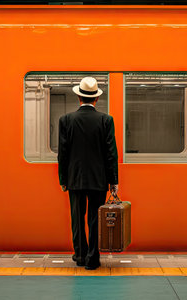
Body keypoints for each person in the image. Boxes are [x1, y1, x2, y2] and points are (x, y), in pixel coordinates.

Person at [58, 76, 118, 270]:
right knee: (94, 218)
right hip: (98, 179)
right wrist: (113, 181)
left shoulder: (66, 120)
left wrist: (63, 179)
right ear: (97, 99)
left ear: (79, 97)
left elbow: (63, 154)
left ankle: (80, 254)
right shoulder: (106, 120)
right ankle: (93, 258)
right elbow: (111, 153)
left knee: (77, 217)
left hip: (74, 178)